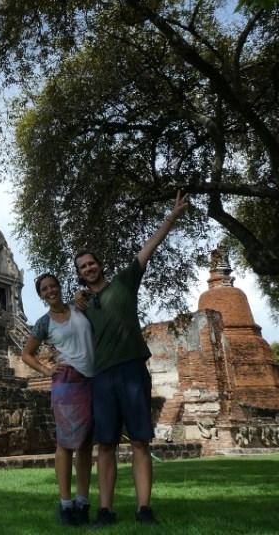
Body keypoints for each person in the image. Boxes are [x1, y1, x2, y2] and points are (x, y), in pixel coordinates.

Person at [74, 191, 189, 527]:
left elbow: (148, 248)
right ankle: (105, 509)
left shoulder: (124, 282)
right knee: (106, 444)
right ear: (80, 275)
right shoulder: (81, 306)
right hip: (102, 377)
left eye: (91, 263)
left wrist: (172, 216)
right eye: (83, 267)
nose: (89, 268)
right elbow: (63, 330)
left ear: (99, 265)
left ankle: (144, 508)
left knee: (140, 440)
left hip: (132, 369)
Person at [22, 273, 95, 527]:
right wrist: (45, 370)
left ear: (60, 287)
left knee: (85, 444)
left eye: (53, 286)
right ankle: (65, 505)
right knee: (65, 443)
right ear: (41, 296)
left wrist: (80, 295)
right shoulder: (43, 323)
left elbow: (93, 294)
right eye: (45, 289)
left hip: (91, 380)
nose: (50, 291)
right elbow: (27, 354)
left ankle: (82, 502)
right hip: (65, 382)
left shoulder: (80, 309)